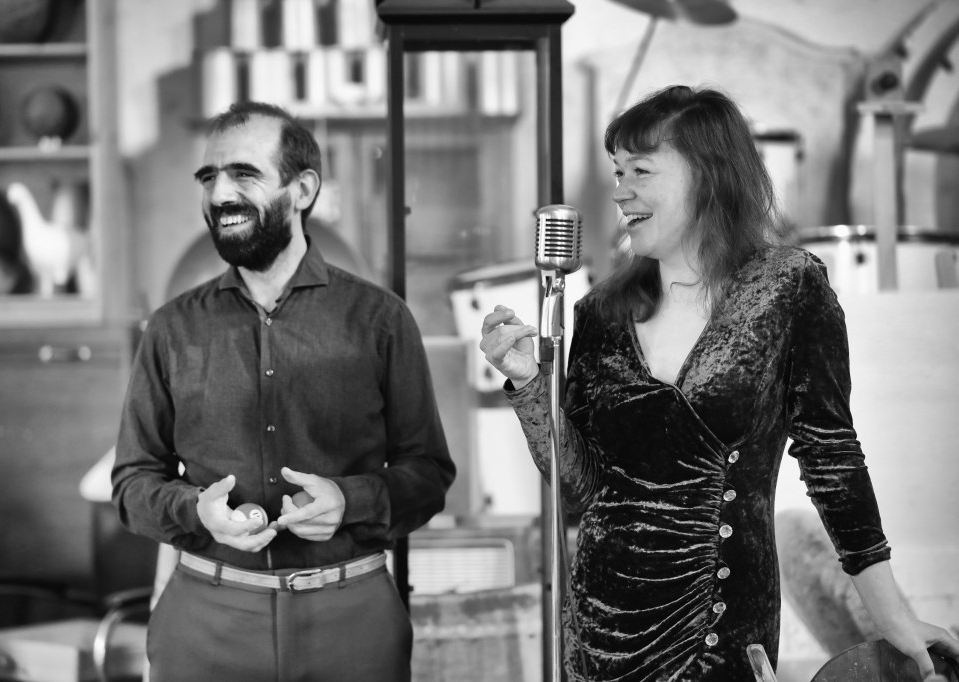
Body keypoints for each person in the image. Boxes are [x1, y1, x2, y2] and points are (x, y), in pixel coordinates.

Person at [479, 84, 959, 681]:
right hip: (600, 633)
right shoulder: (599, 313)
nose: (620, 190)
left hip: (722, 625)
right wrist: (530, 385)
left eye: (641, 170)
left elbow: (831, 458)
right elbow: (582, 490)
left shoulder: (786, 288)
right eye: (618, 171)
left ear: (708, 173)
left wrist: (893, 617)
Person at [112, 100, 455, 682]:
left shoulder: (380, 319)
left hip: (352, 623)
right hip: (205, 621)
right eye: (208, 178)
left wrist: (350, 501)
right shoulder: (171, 328)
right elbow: (131, 483)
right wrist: (195, 511)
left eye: (244, 174)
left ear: (303, 190)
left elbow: (428, 474)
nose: (219, 194)